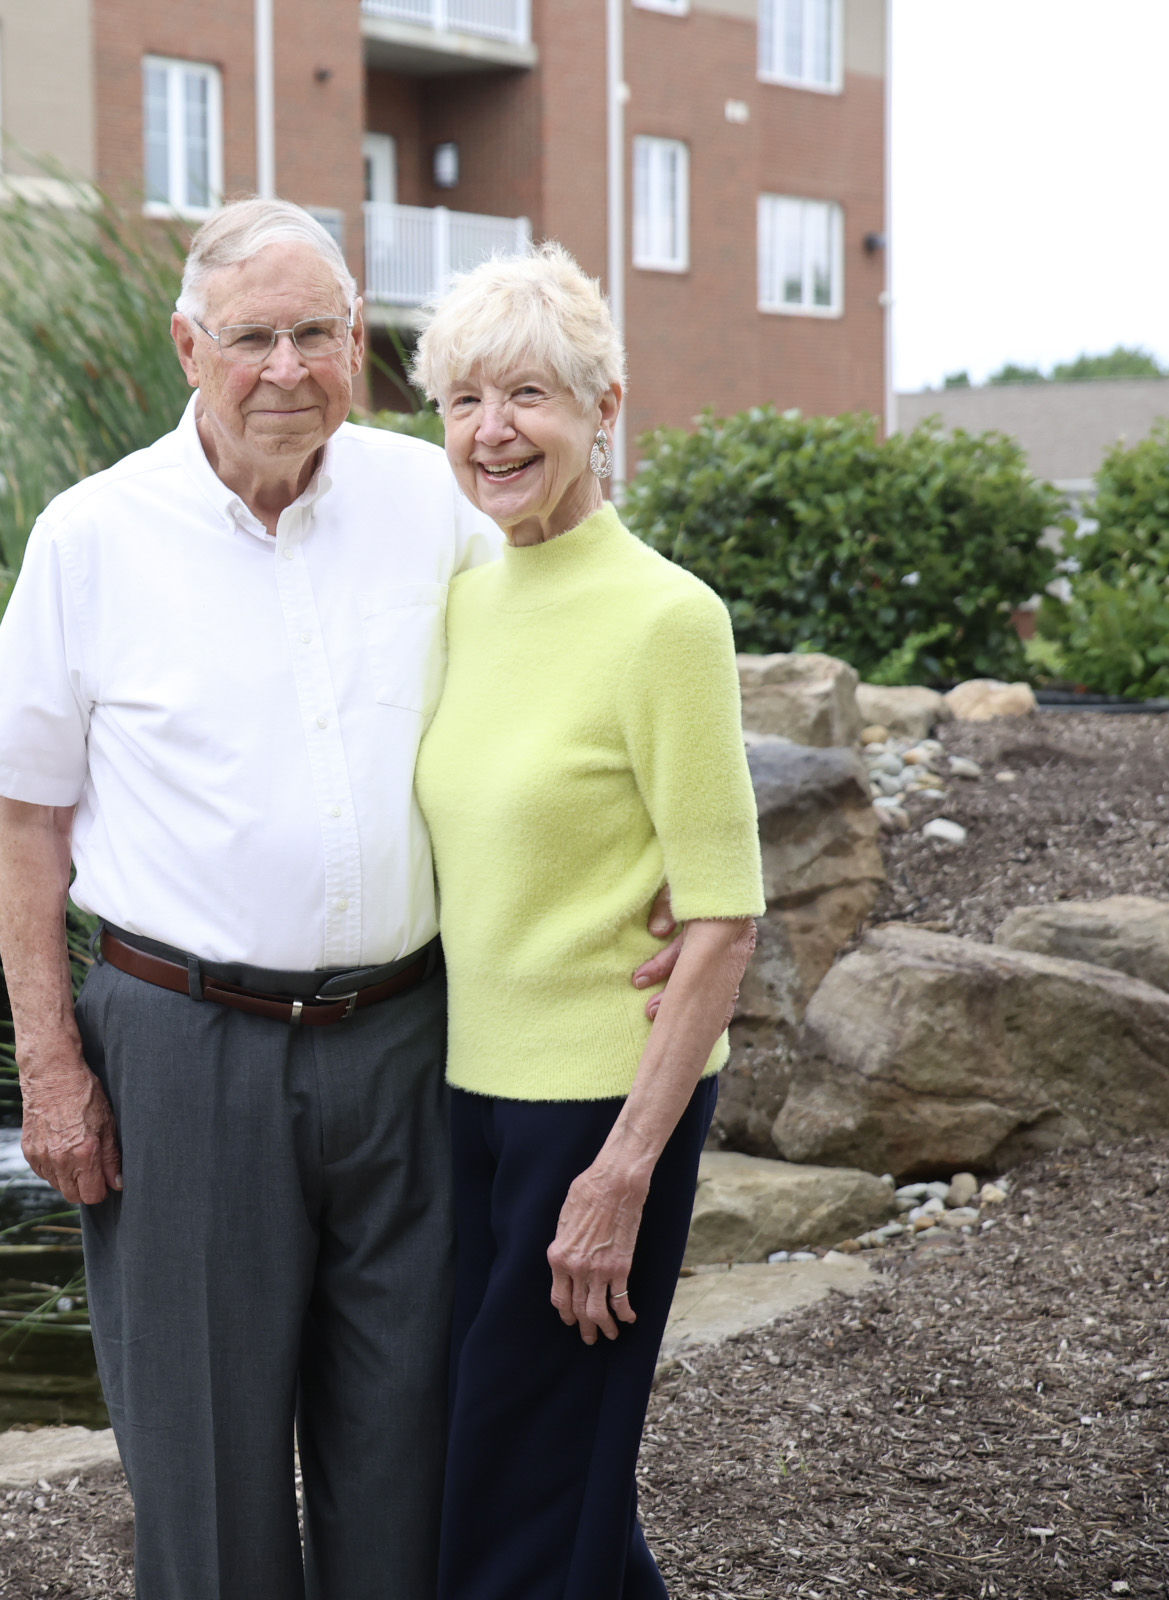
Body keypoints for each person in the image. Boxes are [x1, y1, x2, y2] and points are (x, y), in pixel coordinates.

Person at [0, 196, 506, 1600]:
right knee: (205, 1483)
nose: (287, 367)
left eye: (318, 332)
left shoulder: (430, 500)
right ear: (190, 345)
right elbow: (26, 820)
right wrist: (48, 1066)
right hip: (181, 1055)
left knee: (410, 1453)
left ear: (356, 339)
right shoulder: (92, 535)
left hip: (408, 1043)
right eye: (253, 335)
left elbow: (548, 704)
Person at [409, 242, 765, 1600]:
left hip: (599, 1116)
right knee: (531, 1486)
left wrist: (620, 1175)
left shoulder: (668, 619)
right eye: (460, 402)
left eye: (527, 398)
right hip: (467, 1103)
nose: (491, 432)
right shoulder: (458, 603)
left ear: (603, 408)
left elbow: (724, 921)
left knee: (518, 1502)